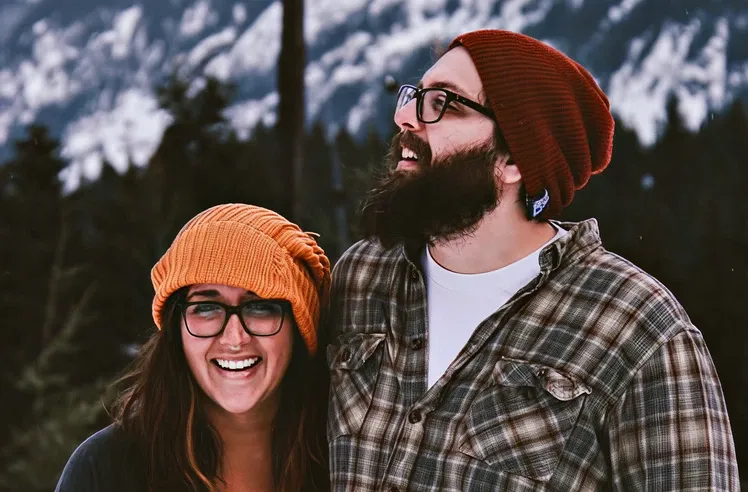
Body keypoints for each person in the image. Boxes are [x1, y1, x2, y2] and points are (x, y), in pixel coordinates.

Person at [326, 29, 739, 491]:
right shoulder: (362, 277)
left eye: (445, 102)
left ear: (513, 161)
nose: (405, 116)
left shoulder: (637, 326)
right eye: (416, 96)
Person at [56, 204, 331, 492]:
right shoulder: (105, 469)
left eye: (260, 307)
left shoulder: (346, 458)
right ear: (176, 328)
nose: (234, 338)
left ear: (300, 326)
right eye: (207, 307)